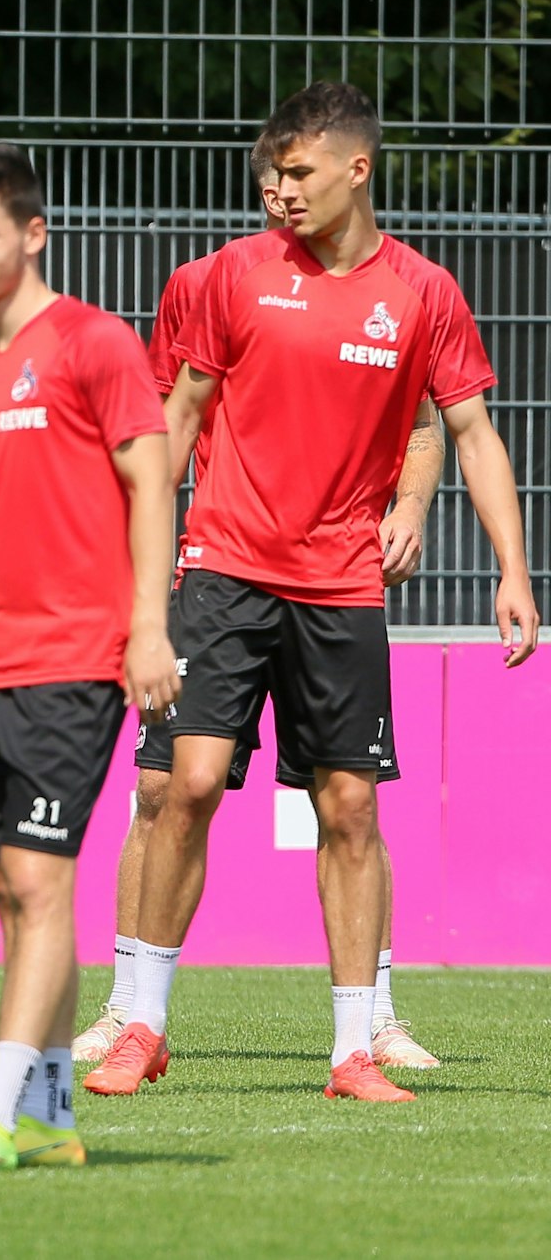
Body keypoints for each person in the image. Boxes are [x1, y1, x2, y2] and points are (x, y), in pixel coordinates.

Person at [85, 82, 539, 1105]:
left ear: (354, 169)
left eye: (295, 172)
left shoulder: (421, 291)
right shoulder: (227, 277)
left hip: (339, 589)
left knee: (346, 806)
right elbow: (180, 414)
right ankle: (140, 1023)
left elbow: (464, 430)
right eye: (267, 174)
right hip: (223, 569)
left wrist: (512, 570)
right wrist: (141, 554)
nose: (275, 190)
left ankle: (351, 1049)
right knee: (184, 784)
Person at [0, 145, 177, 1172]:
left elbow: (151, 485)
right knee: (14, 893)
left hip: (75, 660)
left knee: (40, 883)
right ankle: (54, 1117)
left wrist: (146, 625)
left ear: (31, 234)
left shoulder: (94, 345)